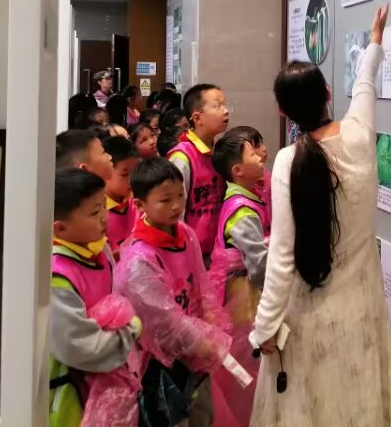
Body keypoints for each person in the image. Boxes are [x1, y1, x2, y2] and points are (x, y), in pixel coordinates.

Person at [248, 5, 391, 427]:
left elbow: (282, 258)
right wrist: (375, 39)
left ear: (282, 111)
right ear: (329, 93)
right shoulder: (359, 136)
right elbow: (365, 83)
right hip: (363, 307)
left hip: (310, 315)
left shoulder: (287, 161)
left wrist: (264, 329)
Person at [115, 158, 237, 427]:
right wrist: (203, 341)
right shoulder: (140, 259)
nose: (176, 206)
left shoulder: (186, 233)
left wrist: (211, 319)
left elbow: (202, 284)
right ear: (140, 204)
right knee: (173, 418)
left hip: (196, 349)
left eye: (180, 196)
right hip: (162, 362)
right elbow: (165, 323)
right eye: (165, 200)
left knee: (204, 415)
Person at [48, 169, 142, 427]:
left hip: (104, 384)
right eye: (93, 212)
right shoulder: (57, 275)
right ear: (60, 227)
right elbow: (79, 347)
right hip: (71, 398)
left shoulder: (98, 249)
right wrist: (130, 332)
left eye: (103, 207)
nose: (104, 217)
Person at [206, 127, 271, 427]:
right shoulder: (243, 211)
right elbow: (259, 266)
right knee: (247, 361)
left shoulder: (245, 197)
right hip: (242, 296)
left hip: (240, 290)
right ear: (237, 170)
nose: (260, 157)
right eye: (253, 153)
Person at [167, 84, 229, 263]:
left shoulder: (219, 150)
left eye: (225, 105)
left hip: (217, 252)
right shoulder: (182, 158)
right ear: (197, 118)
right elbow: (175, 213)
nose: (225, 111)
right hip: (192, 255)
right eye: (217, 106)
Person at [101, 136, 141, 252]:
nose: (132, 180)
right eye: (124, 174)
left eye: (135, 172)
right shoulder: (98, 212)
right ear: (106, 171)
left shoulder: (137, 201)